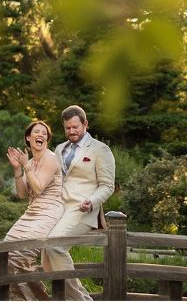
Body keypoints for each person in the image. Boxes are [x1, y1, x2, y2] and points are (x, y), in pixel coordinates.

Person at [41, 105, 115, 301]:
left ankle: (79, 301)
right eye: (67, 128)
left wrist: (91, 201)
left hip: (82, 210)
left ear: (85, 124)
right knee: (46, 255)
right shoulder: (59, 149)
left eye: (75, 127)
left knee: (54, 246)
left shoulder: (100, 149)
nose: (71, 131)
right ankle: (82, 297)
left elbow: (108, 186)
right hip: (58, 209)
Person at [0, 120, 65, 301]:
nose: (41, 135)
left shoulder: (51, 158)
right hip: (31, 212)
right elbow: (22, 194)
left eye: (44, 133)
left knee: (22, 253)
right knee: (6, 251)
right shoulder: (29, 162)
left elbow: (38, 189)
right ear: (28, 138)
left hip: (49, 210)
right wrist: (17, 169)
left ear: (47, 140)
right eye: (36, 132)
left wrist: (25, 165)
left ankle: (36, 299)